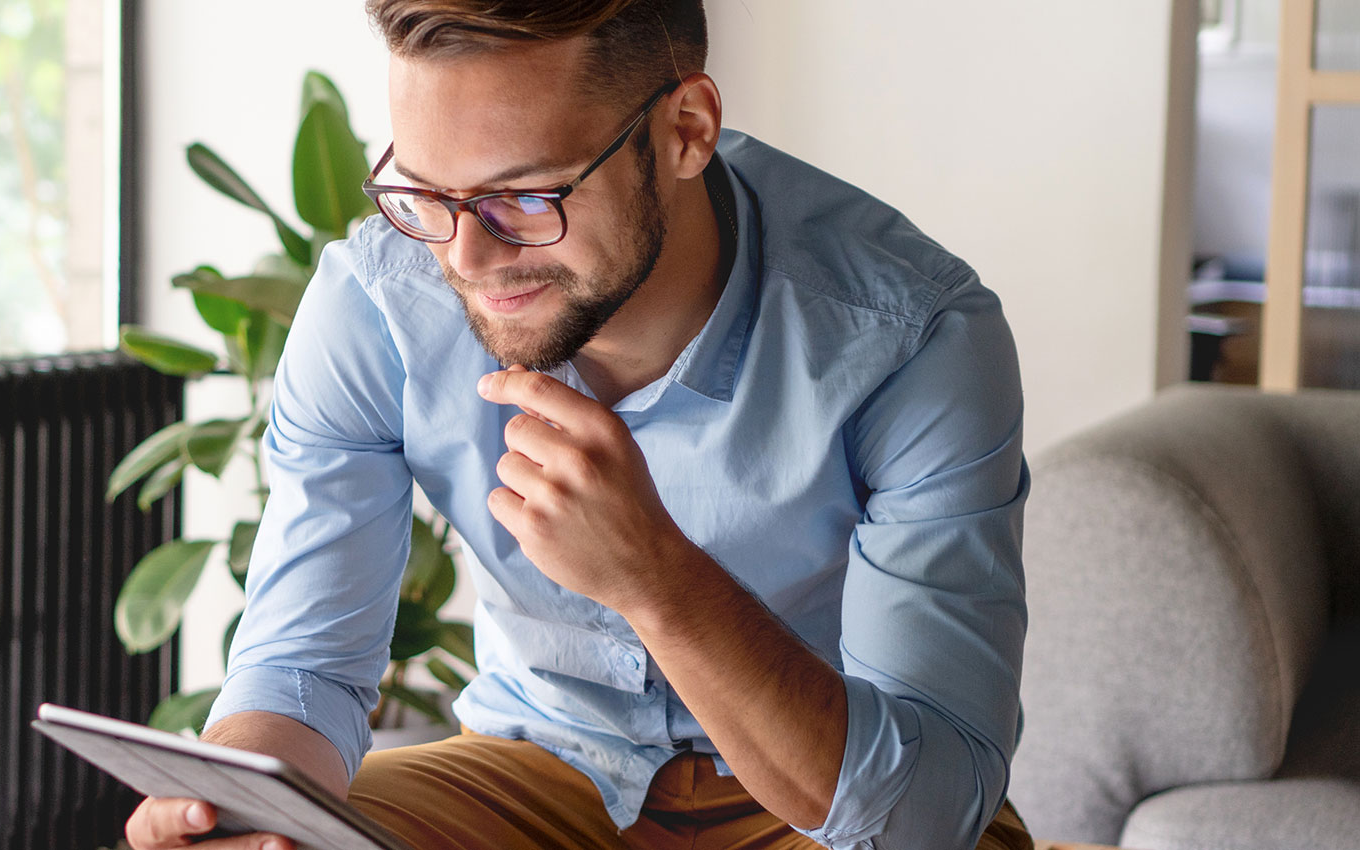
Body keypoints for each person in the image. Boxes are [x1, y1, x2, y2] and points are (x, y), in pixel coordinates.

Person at [126, 1, 1031, 848]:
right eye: (425, 193)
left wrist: (656, 579)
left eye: (525, 197)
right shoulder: (378, 301)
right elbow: (305, 665)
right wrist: (237, 803)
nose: (464, 257)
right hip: (538, 763)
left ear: (686, 131)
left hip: (818, 794)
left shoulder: (910, 336)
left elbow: (926, 809)